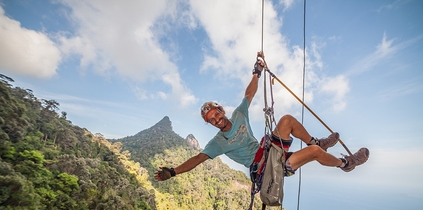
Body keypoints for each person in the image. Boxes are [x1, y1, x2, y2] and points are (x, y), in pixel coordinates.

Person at [154, 54, 369, 181]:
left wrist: (256, 72)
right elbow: (197, 159)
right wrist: (173, 172)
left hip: (268, 152)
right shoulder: (218, 143)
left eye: (216, 114)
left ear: (222, 111)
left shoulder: (239, 114)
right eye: (211, 120)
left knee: (287, 120)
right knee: (313, 154)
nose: (216, 120)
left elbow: (249, 93)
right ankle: (346, 164)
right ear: (210, 124)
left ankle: (317, 142)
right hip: (264, 169)